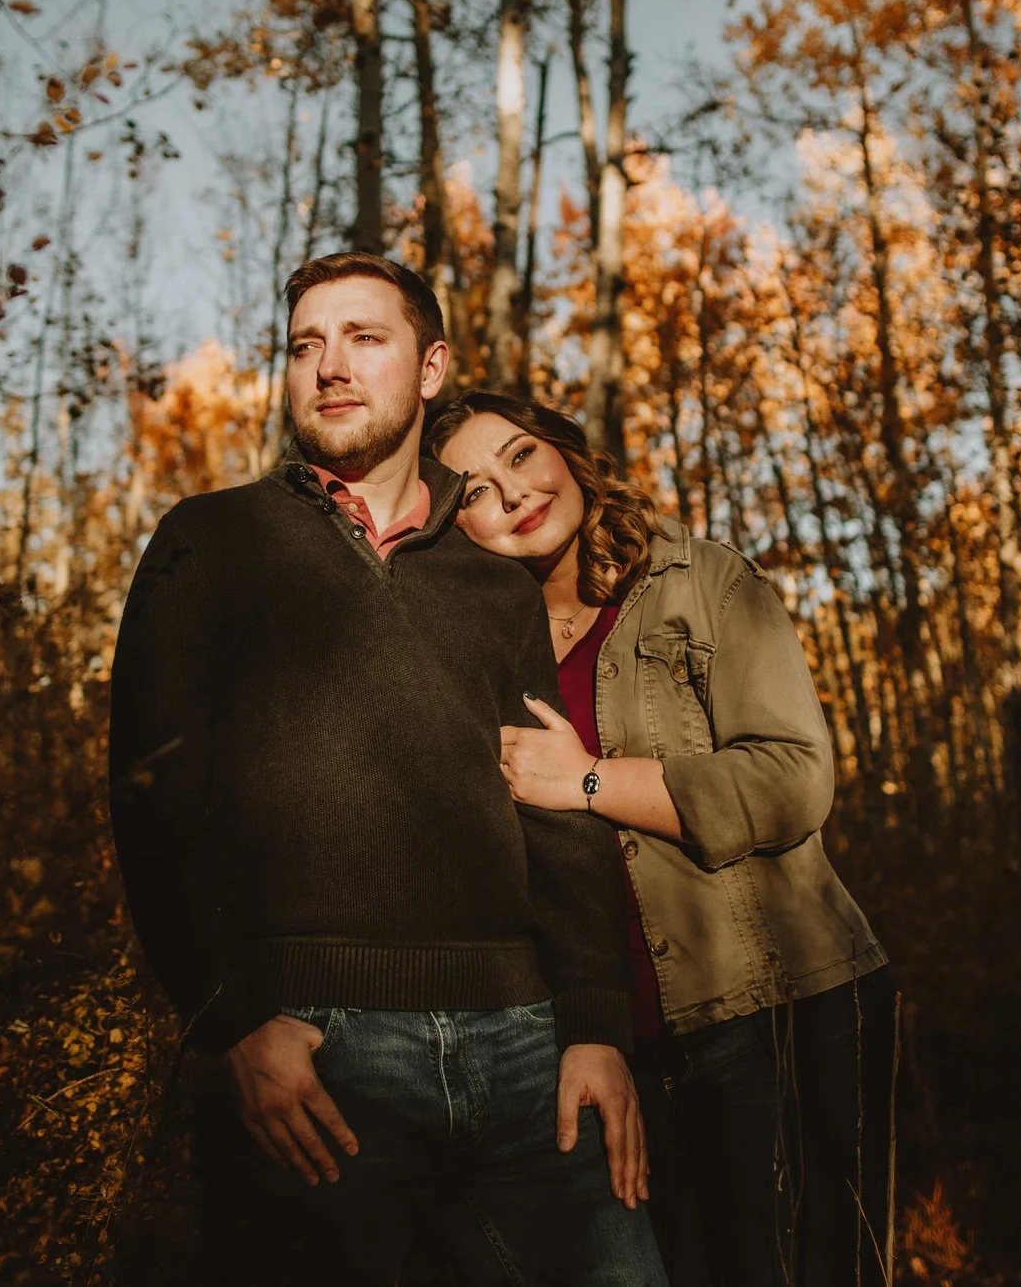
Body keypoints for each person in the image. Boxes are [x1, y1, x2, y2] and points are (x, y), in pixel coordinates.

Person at [108, 254, 669, 1287]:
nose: (331, 365)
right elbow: (155, 802)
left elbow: (554, 805)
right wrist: (232, 1020)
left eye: (365, 337)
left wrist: (596, 1026)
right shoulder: (211, 542)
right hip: (319, 1053)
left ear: (430, 366)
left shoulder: (492, 581)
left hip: (527, 1046)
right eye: (306, 345)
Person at [429, 392, 900, 1287]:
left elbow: (794, 778)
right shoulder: (479, 650)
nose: (515, 492)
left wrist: (590, 780)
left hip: (780, 1008)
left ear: (566, 452)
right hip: (615, 1048)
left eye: (522, 455)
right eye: (477, 489)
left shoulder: (697, 580)